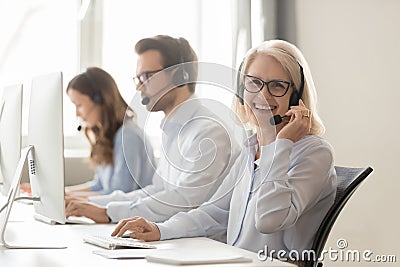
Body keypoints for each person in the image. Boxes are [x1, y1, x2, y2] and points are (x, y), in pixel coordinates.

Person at [110, 40, 337, 265]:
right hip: (234, 261)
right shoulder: (250, 150)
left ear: (295, 96)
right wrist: (159, 229)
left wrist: (278, 142)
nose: (263, 95)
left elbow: (268, 220)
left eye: (277, 85)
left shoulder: (315, 154)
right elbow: (216, 212)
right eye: (254, 83)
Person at [65, 35, 241, 226]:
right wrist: (88, 205)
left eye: (147, 76)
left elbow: (184, 201)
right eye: (138, 78)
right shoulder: (174, 130)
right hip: (180, 238)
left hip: (206, 244)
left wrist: (108, 212)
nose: (139, 86)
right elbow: (157, 191)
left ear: (180, 75)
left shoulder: (209, 132)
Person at [64, 67, 156, 197]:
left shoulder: (127, 136)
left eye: (79, 105)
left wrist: (71, 199)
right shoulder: (109, 135)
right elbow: (99, 185)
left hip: (130, 215)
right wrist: (62, 194)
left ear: (99, 99)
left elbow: (119, 193)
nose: (77, 113)